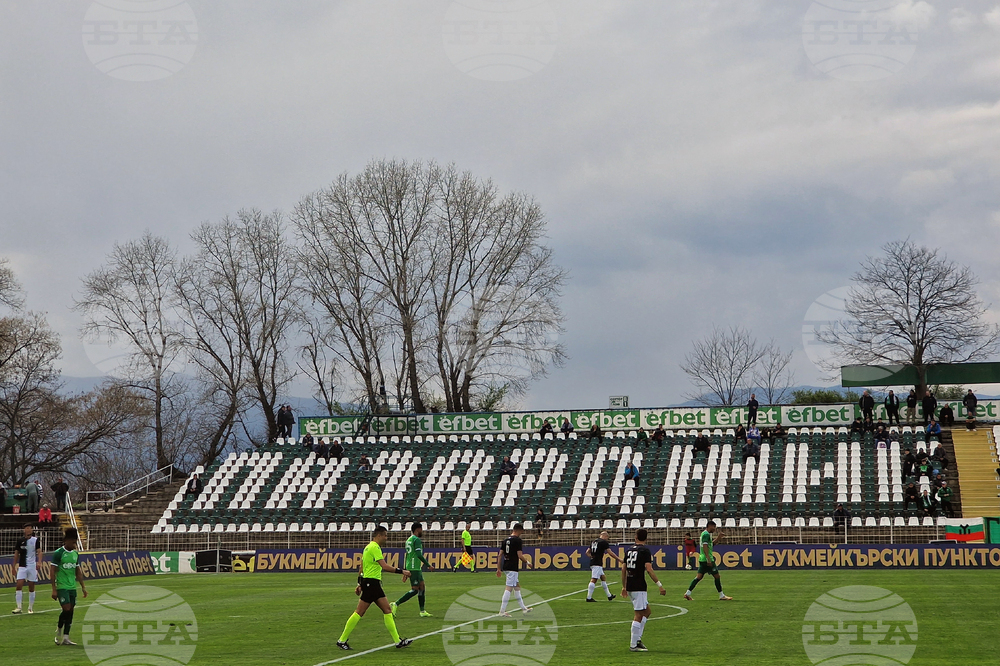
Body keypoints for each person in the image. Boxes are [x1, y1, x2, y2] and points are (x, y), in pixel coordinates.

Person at [337, 526, 413, 650]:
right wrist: (402, 571)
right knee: (361, 612)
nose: (386, 538)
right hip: (372, 583)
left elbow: (362, 566)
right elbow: (384, 566)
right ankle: (341, 640)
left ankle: (398, 641)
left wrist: (359, 583)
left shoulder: (368, 547)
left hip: (369, 583)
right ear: (379, 535)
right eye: (385, 536)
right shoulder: (375, 547)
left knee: (386, 610)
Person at [620, 528, 666, 652]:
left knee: (647, 612)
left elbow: (623, 569)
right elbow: (649, 569)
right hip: (638, 586)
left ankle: (638, 639)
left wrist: (624, 586)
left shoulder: (629, 550)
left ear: (636, 537)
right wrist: (659, 585)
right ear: (646, 538)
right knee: (639, 615)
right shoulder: (645, 551)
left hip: (630, 585)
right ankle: (633, 645)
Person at [51, 527, 87, 645]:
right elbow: (52, 571)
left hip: (72, 587)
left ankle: (66, 637)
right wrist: (54, 589)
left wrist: (83, 587)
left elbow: (78, 571)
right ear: (66, 541)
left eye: (75, 542)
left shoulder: (75, 554)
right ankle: (59, 628)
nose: (74, 545)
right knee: (66, 609)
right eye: (73, 542)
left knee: (71, 611)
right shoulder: (59, 553)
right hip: (62, 586)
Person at [391, 523, 434, 618]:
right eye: (421, 529)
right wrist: (428, 565)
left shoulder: (409, 540)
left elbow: (407, 555)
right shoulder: (416, 540)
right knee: (415, 589)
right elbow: (418, 555)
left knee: (422, 586)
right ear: (417, 529)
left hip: (413, 567)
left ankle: (422, 611)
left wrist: (406, 570)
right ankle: (396, 604)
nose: (422, 531)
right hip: (414, 567)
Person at [684, 520, 731, 602]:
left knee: (698, 577)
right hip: (707, 559)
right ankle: (721, 595)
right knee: (717, 576)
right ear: (710, 526)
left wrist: (719, 538)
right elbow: (705, 546)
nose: (714, 529)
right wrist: (708, 558)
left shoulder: (705, 534)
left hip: (702, 559)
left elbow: (710, 545)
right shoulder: (706, 534)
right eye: (714, 527)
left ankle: (687, 593)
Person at [496, 523, 532, 617]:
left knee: (517, 586)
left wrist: (498, 568)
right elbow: (520, 555)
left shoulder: (505, 540)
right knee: (509, 588)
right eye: (521, 531)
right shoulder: (517, 540)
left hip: (506, 566)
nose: (522, 533)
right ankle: (502, 611)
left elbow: (500, 555)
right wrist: (528, 562)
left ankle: (523, 608)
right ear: (518, 530)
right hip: (513, 567)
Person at [12, 523, 42, 614]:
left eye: (30, 528)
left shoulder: (35, 540)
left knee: (31, 586)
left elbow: (39, 552)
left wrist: (39, 562)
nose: (28, 530)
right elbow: (16, 553)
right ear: (24, 530)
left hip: (32, 565)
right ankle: (19, 607)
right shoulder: (20, 541)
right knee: (19, 585)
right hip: (22, 566)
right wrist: (13, 566)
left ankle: (30, 607)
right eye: (27, 528)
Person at [585, 530, 621, 601]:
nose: (607, 539)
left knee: (603, 578)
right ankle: (588, 598)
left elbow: (587, 552)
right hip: (597, 563)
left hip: (594, 562)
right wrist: (618, 559)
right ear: (605, 536)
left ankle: (609, 595)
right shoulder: (603, 542)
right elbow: (610, 552)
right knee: (594, 579)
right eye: (607, 538)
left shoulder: (594, 541)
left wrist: (591, 557)